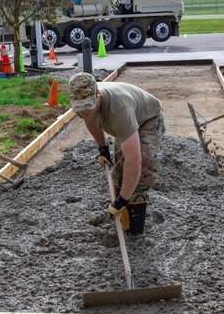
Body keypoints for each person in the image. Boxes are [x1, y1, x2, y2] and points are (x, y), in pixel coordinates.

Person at [67, 72, 164, 236]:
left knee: (141, 172)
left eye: (88, 106)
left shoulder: (119, 112)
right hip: (126, 121)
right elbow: (90, 119)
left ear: (98, 95)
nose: (84, 111)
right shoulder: (83, 104)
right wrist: (102, 148)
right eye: (80, 108)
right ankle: (122, 211)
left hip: (147, 119)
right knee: (120, 168)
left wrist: (122, 200)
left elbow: (135, 161)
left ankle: (134, 228)